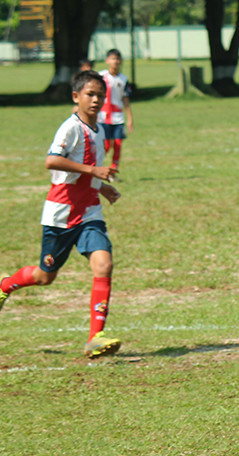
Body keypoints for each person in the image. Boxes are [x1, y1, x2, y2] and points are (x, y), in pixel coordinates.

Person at [0, 70, 122, 358]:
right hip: (61, 214)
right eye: (90, 94)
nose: (96, 100)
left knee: (103, 265)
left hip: (90, 211)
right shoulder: (70, 128)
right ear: (76, 97)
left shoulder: (99, 129)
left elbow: (88, 168)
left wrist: (101, 188)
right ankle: (4, 285)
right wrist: (94, 172)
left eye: (100, 95)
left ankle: (96, 338)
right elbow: (51, 160)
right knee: (45, 276)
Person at [97, 48, 134, 171]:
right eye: (113, 58)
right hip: (103, 116)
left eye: (118, 59)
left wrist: (130, 119)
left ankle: (113, 169)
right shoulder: (101, 76)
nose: (116, 61)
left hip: (118, 117)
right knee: (106, 145)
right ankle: (97, 167)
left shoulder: (123, 79)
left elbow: (126, 99)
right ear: (107, 60)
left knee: (118, 144)